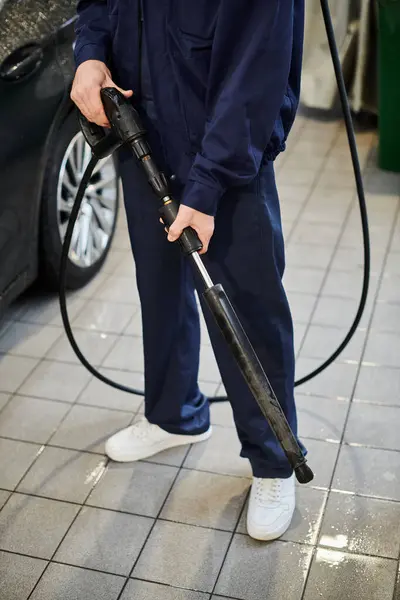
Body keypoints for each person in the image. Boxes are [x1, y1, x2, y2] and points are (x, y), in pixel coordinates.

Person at [72, 0, 306, 541]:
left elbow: (259, 62)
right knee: (160, 285)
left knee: (244, 304)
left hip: (224, 145)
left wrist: (211, 182)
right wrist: (90, 56)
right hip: (140, 127)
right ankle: (173, 414)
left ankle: (273, 461)